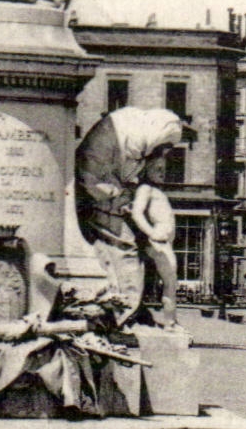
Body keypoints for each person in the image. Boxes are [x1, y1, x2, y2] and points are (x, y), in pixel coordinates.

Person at [74, 107, 184, 324]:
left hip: (107, 199)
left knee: (125, 251)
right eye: (162, 150)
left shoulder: (131, 135)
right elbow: (94, 180)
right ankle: (123, 315)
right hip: (102, 201)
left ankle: (126, 310)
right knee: (125, 250)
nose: (163, 158)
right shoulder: (118, 139)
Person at [130, 180, 178, 323]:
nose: (161, 171)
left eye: (163, 167)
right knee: (170, 282)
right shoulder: (146, 188)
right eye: (156, 166)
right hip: (158, 243)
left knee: (170, 283)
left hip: (164, 242)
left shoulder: (157, 190)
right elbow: (136, 214)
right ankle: (170, 322)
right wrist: (151, 233)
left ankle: (171, 320)